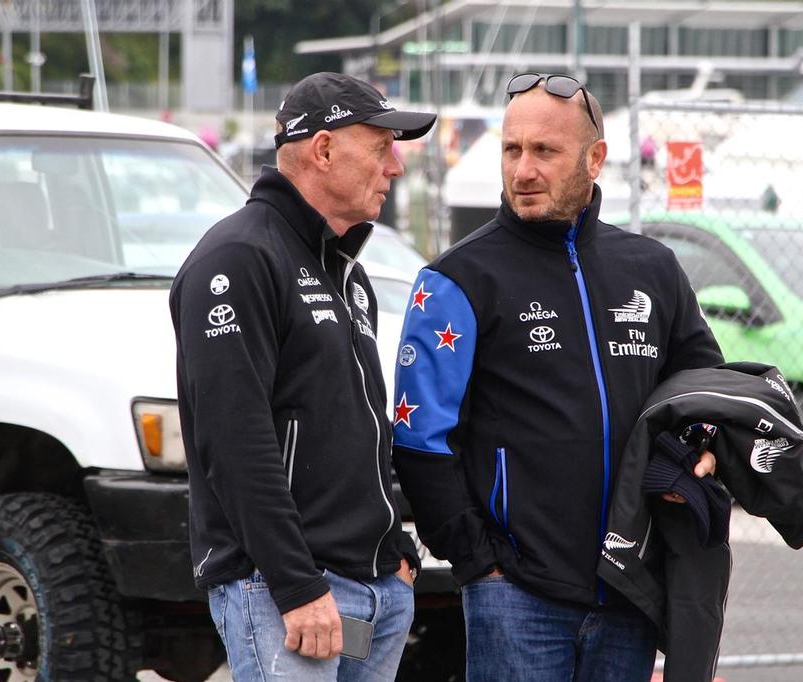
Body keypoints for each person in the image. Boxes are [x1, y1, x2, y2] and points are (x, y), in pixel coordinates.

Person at [391, 73, 724, 681]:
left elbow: (703, 386)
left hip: (628, 591)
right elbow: (419, 441)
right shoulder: (457, 279)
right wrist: (477, 562)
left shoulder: (651, 268)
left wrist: (701, 445)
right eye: (512, 150)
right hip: (515, 596)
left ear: (595, 158)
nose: (523, 170)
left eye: (545, 151)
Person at [169, 72, 435, 682]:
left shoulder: (345, 269)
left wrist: (397, 556)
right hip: (287, 592)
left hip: (372, 590)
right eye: (381, 147)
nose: (395, 167)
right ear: (323, 150)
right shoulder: (238, 259)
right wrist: (295, 584)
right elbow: (235, 445)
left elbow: (362, 427)